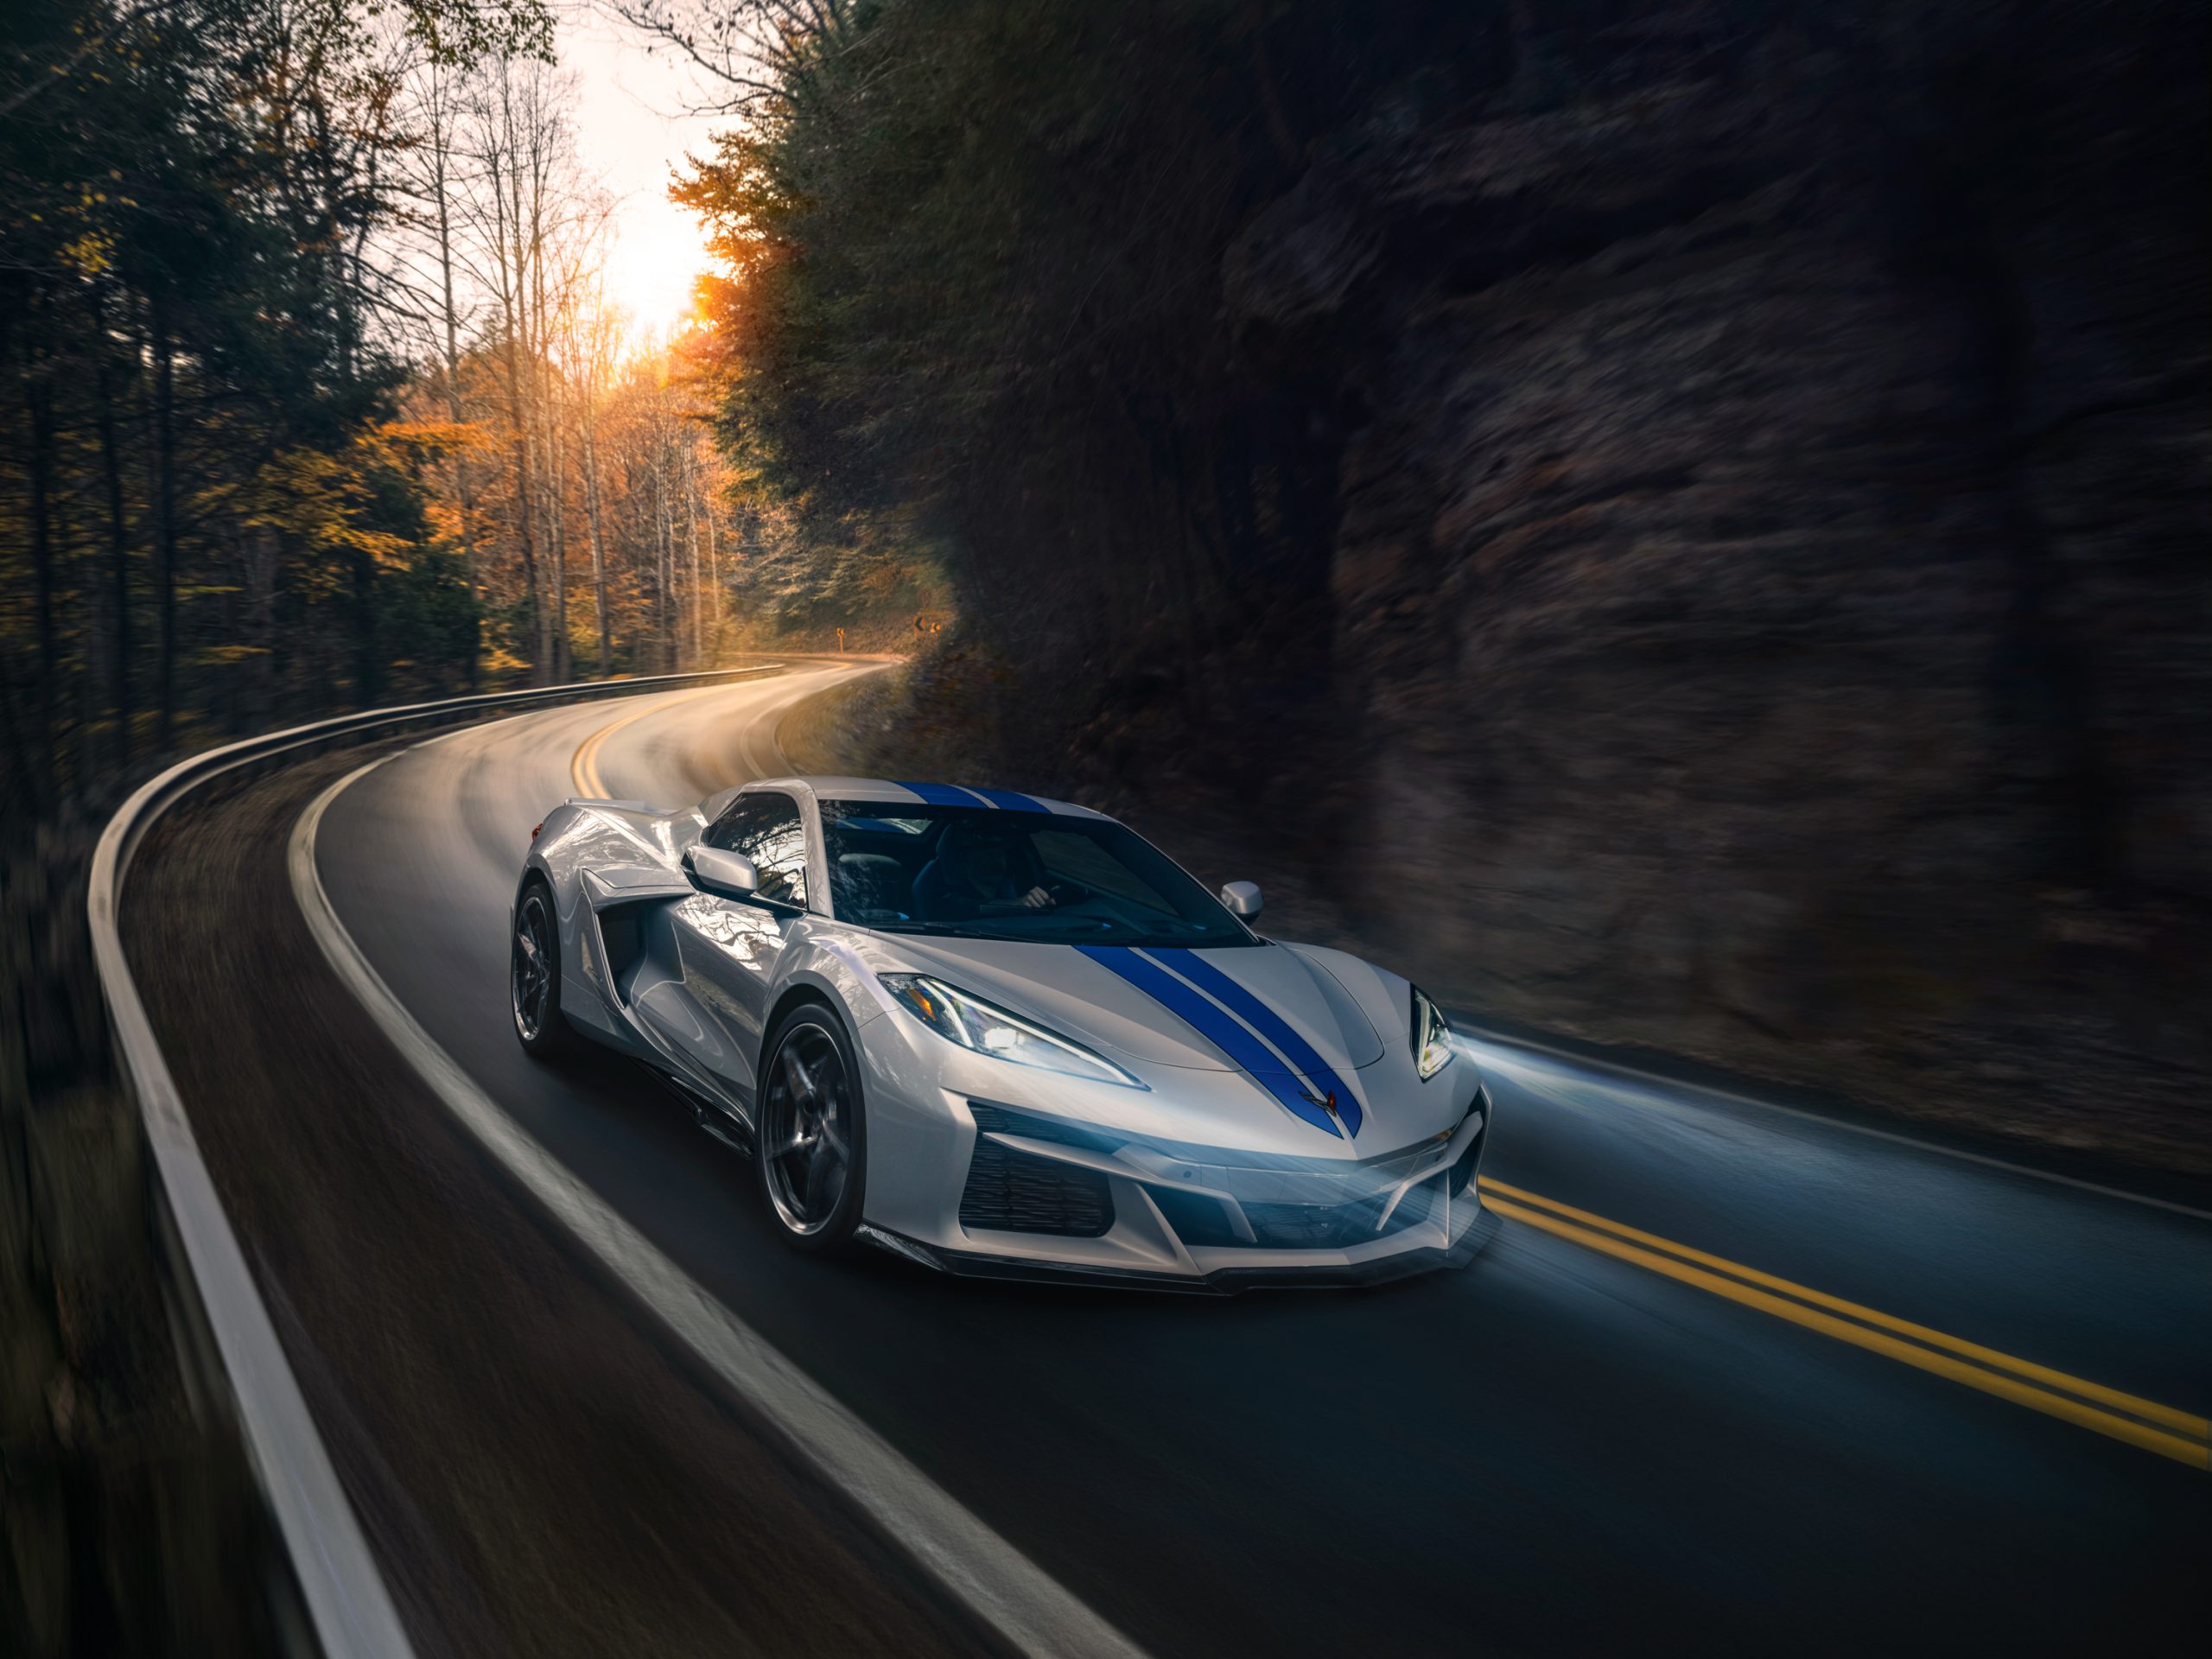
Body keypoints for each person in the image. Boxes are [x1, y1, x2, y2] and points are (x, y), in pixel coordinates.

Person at [914, 823, 1053, 921]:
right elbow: (961, 909)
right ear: (964, 859)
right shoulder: (939, 892)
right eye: (986, 852)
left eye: (999, 852)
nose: (996, 859)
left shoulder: (1015, 883)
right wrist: (1018, 904)